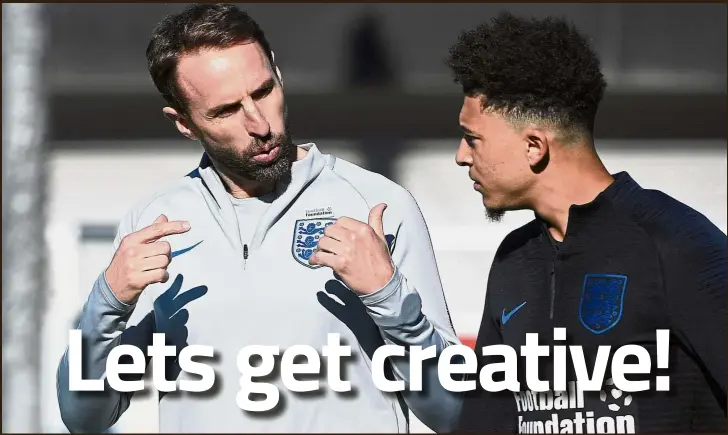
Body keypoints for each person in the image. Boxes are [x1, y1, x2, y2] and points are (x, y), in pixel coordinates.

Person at [56, 4, 462, 433]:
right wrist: (108, 299)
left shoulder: (377, 203)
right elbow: (85, 418)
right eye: (226, 110)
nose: (259, 123)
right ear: (184, 124)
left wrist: (388, 295)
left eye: (264, 91)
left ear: (280, 78)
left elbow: (451, 412)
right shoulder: (154, 223)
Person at [446, 12, 726, 433]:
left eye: (473, 139)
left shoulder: (676, 243)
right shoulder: (513, 261)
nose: (462, 156)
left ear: (535, 146)